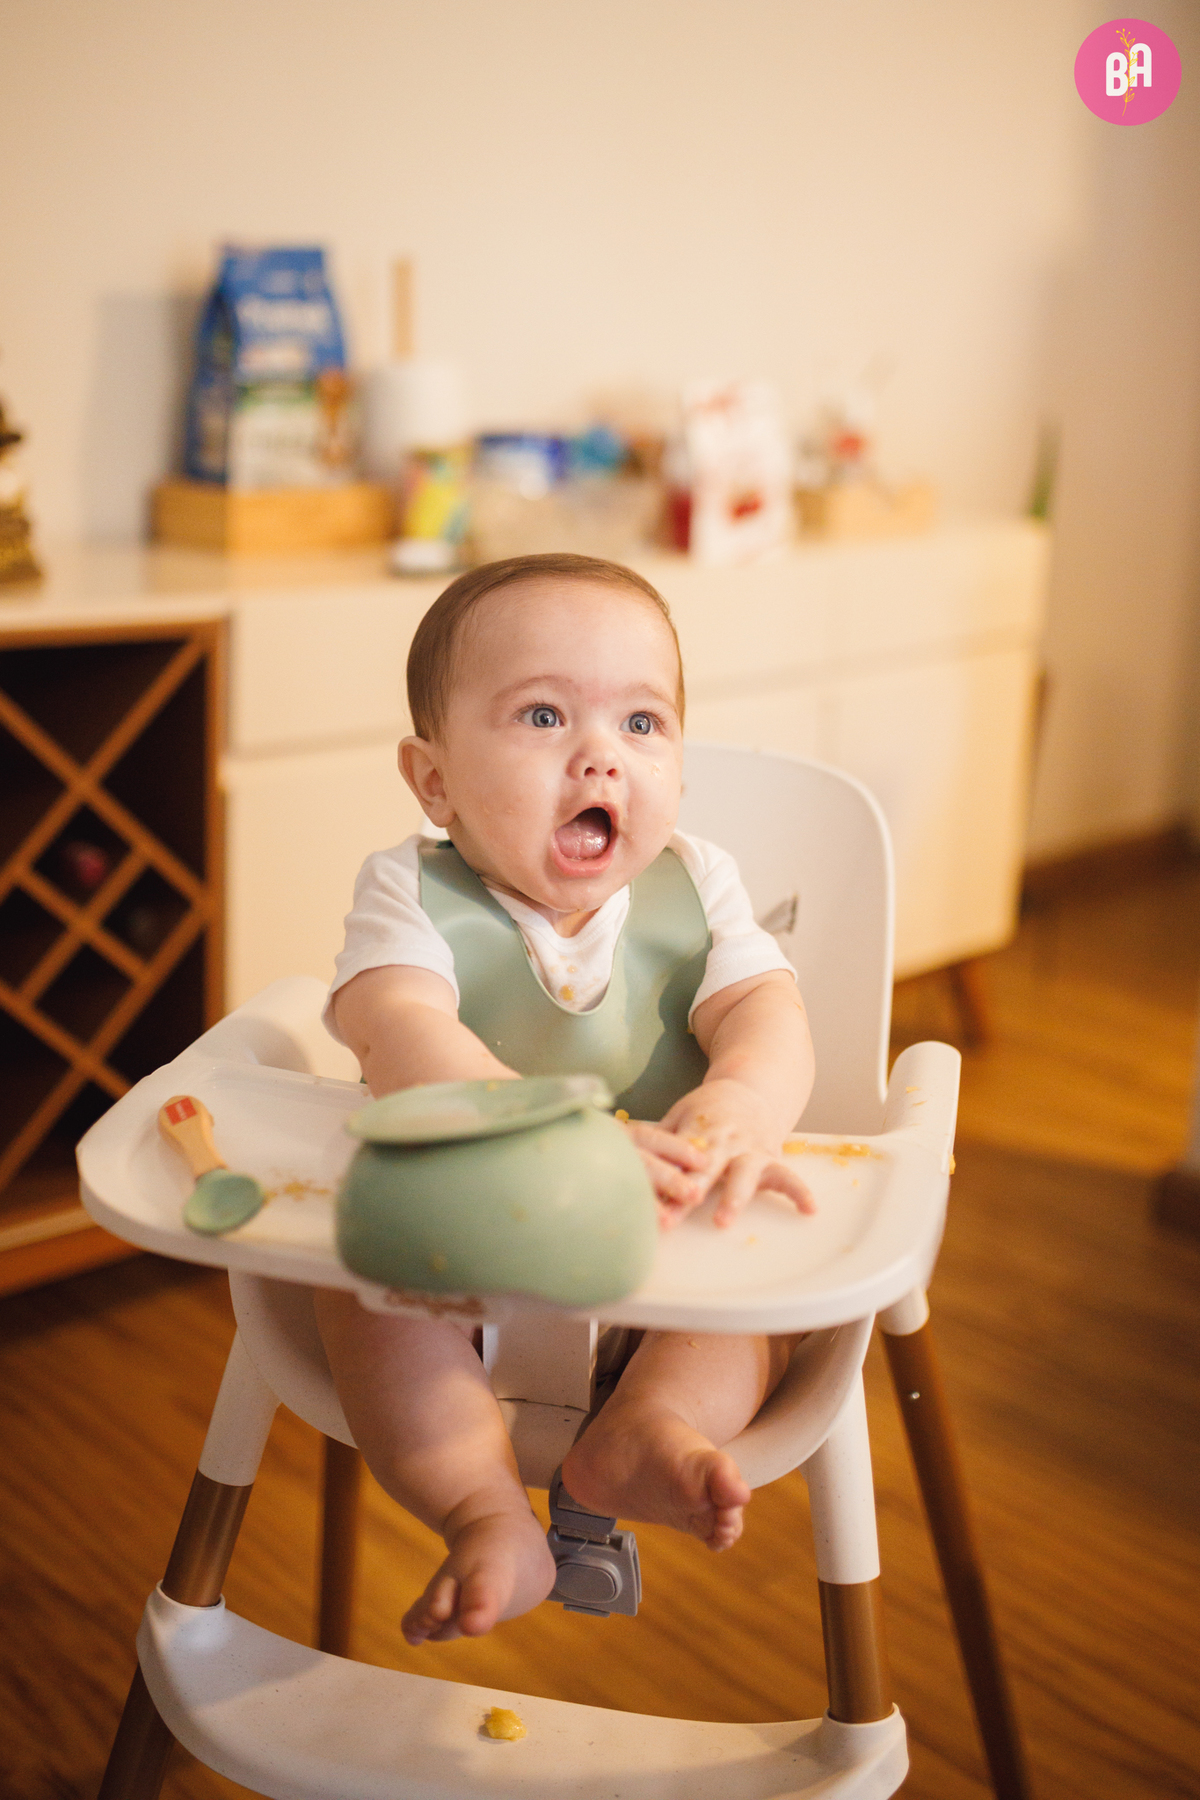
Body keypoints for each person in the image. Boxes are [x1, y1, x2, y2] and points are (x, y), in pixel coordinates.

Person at [316, 552, 816, 1648]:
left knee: (766, 1302)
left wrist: (738, 1103)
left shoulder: (697, 882)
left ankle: (646, 1424)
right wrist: (570, 1138)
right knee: (364, 1307)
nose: (601, 755)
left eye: (643, 724)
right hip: (466, 1260)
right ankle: (485, 1511)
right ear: (435, 778)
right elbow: (403, 1033)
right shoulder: (409, 891)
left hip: (662, 1255)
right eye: (543, 715)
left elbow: (769, 1018)